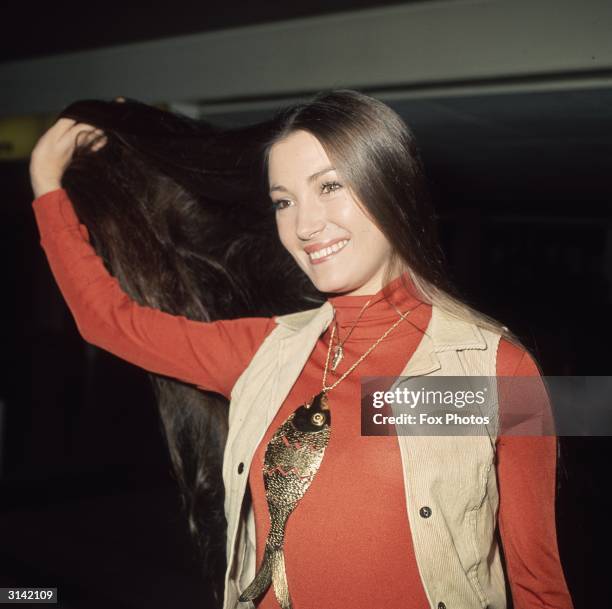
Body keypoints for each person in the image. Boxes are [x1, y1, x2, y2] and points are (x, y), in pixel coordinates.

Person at [29, 90, 573, 609]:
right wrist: (45, 180)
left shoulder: (488, 371)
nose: (305, 225)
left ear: (390, 183)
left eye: (330, 186)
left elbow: (536, 583)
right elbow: (111, 323)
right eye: (283, 201)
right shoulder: (264, 354)